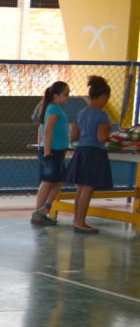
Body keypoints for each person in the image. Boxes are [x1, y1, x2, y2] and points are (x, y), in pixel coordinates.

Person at [64, 75, 114, 234]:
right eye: (106, 99)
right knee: (88, 189)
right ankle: (81, 222)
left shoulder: (82, 112)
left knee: (80, 188)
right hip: (94, 153)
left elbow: (73, 135)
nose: (106, 102)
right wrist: (109, 131)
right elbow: (101, 138)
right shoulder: (102, 115)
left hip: (81, 151)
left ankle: (76, 220)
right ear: (103, 97)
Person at [31, 81, 70, 226]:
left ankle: (44, 208)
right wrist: (46, 151)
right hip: (52, 151)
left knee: (58, 181)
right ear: (56, 96)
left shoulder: (52, 108)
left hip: (57, 150)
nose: (68, 97)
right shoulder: (53, 109)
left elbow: (41, 129)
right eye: (65, 94)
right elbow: (47, 130)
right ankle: (38, 213)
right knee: (47, 182)